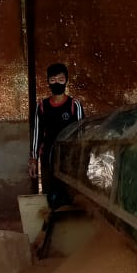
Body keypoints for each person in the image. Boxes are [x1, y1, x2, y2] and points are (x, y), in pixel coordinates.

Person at [29, 62, 84, 210]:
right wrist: (34, 159)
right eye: (53, 80)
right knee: (49, 196)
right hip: (47, 158)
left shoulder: (74, 105)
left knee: (69, 196)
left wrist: (79, 159)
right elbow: (37, 133)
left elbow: (80, 134)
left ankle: (69, 227)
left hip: (69, 160)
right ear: (48, 81)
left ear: (66, 80)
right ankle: (51, 227)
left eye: (60, 79)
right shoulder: (42, 106)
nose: (57, 83)